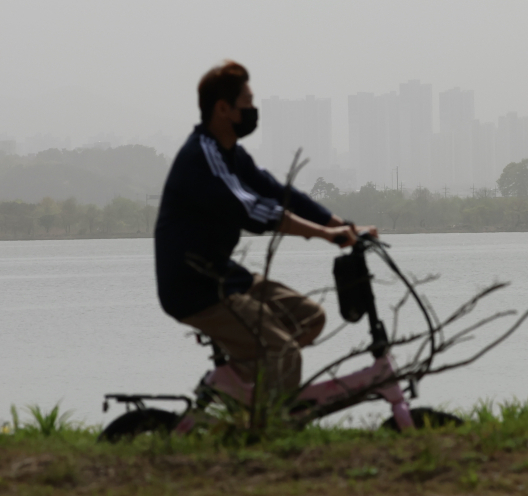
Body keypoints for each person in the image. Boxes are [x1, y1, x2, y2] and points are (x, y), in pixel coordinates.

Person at [154, 60, 376, 398]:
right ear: (223, 109)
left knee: (309, 318)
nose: (253, 110)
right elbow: (252, 209)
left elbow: (278, 192)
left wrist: (343, 226)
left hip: (223, 275)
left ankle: (243, 393)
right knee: (283, 351)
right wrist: (324, 236)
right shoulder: (203, 156)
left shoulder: (232, 155)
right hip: (194, 286)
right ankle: (268, 431)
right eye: (248, 103)